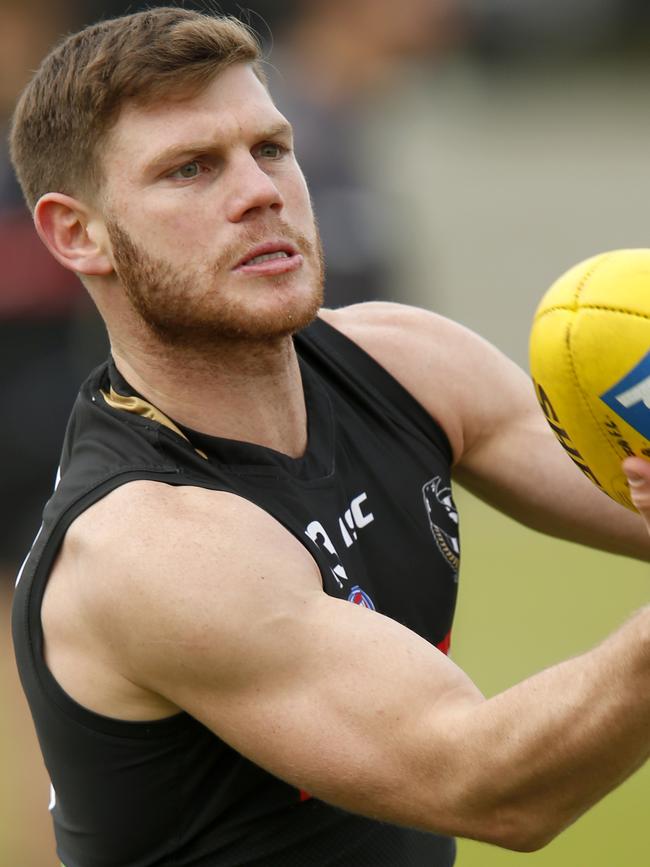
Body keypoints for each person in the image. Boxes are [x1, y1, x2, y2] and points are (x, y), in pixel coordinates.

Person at [8, 7, 650, 867]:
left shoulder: (409, 362)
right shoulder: (149, 548)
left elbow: (627, 491)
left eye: (270, 149)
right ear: (77, 233)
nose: (260, 191)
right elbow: (492, 780)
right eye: (191, 169)